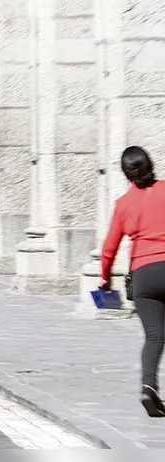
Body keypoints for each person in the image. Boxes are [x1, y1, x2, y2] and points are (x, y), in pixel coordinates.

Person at [99, 146, 165, 417]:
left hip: (143, 276)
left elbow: (109, 248)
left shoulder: (123, 204)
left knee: (155, 336)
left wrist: (105, 280)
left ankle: (148, 386)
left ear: (127, 175)